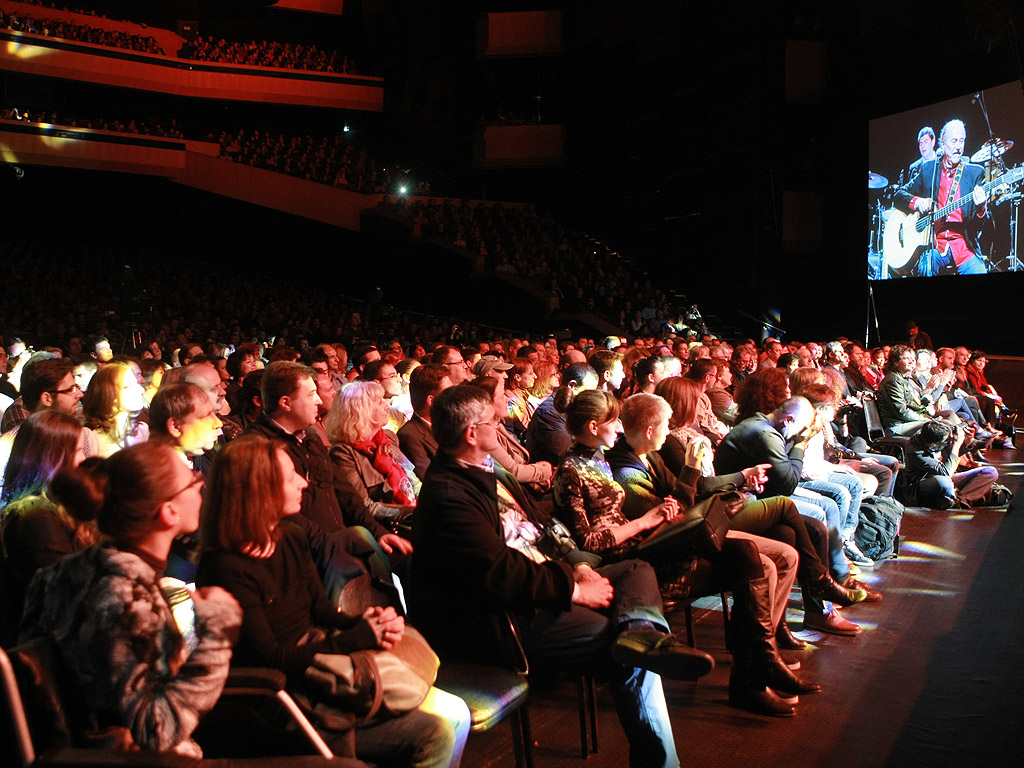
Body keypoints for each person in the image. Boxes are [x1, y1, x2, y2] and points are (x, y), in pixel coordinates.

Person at [411, 385, 716, 766]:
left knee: (636, 573)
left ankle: (642, 632)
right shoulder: (449, 493)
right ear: (472, 434)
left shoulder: (482, 472)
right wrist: (572, 587)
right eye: (493, 422)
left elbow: (538, 530)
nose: (501, 426)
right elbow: (500, 571)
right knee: (624, 650)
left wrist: (578, 566)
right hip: (503, 622)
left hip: (537, 585)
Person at [196, 435, 467, 768]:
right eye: (291, 476)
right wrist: (358, 637)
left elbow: (321, 610)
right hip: (286, 699)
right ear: (259, 489)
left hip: (321, 669)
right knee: (436, 732)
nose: (303, 482)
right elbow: (271, 657)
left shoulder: (290, 534)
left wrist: (370, 623)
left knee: (447, 718)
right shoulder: (225, 566)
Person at [553, 389, 817, 717]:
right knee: (748, 559)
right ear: (594, 427)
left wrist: (661, 513)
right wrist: (647, 521)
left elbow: (673, 501)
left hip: (643, 550)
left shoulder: (597, 458)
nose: (619, 429)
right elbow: (588, 542)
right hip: (632, 568)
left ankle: (758, 669)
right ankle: (755, 674)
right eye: (612, 422)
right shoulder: (571, 470)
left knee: (748, 554)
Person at [18, 442, 243, 757]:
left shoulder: (60, 575)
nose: (200, 479)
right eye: (192, 480)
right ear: (169, 511)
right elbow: (157, 732)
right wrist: (217, 637)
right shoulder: (124, 598)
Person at [894, 119, 990, 276]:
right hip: (934, 244)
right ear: (943, 144)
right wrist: (917, 202)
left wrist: (981, 208)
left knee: (979, 271)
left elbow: (980, 226)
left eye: (961, 141)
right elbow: (898, 195)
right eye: (954, 141)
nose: (959, 146)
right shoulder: (928, 170)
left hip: (963, 246)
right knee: (926, 268)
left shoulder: (975, 173)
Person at [326, 381, 419, 542]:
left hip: (412, 517)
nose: (386, 406)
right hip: (386, 530)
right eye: (379, 401)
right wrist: (412, 512)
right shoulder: (343, 453)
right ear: (362, 410)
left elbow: (411, 480)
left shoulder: (387, 438)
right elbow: (365, 507)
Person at [898, 421, 999, 509]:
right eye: (945, 441)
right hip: (920, 485)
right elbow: (945, 473)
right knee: (944, 482)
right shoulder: (915, 451)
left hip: (947, 478)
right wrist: (956, 444)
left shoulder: (934, 434)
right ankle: (962, 496)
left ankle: (959, 500)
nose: (947, 443)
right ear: (934, 443)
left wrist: (967, 443)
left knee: (990, 472)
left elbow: (951, 461)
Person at [81, 361, 149, 457]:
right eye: (128, 386)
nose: (141, 390)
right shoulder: (89, 438)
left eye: (136, 384)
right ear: (107, 394)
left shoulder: (142, 430)